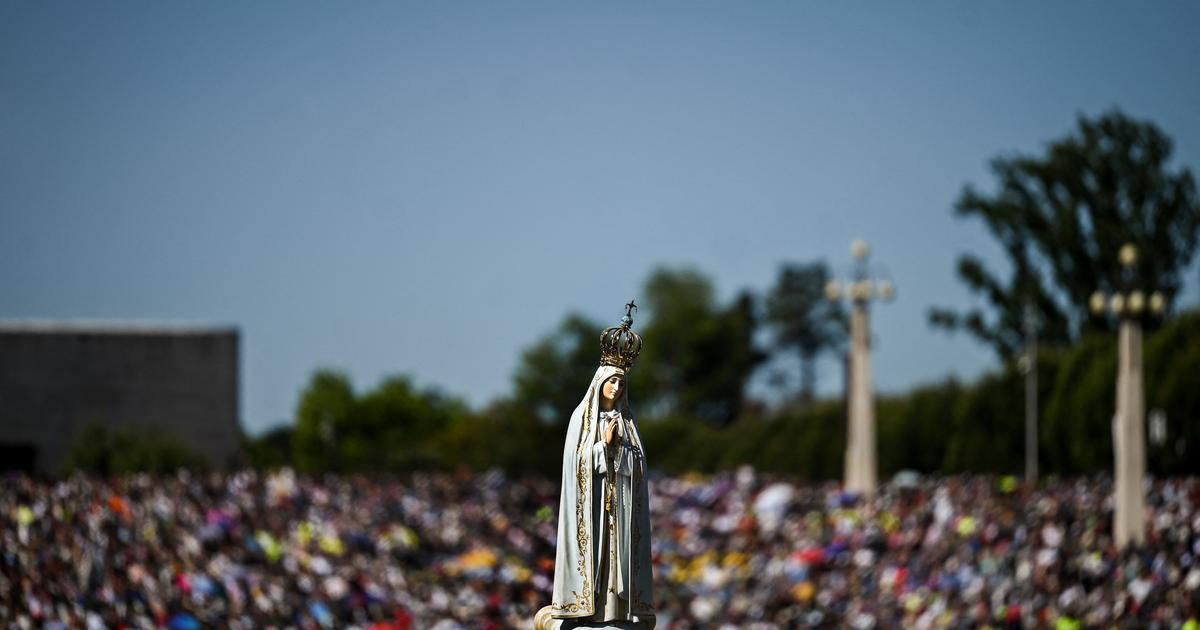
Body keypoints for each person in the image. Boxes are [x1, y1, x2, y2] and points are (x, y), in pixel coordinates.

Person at [537, 303, 655, 629]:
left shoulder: (627, 422)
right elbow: (576, 464)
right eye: (612, 381)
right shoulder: (582, 418)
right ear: (601, 381)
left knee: (617, 562)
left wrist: (622, 450)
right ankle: (586, 608)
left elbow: (640, 466)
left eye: (621, 384)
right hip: (592, 508)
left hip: (619, 509)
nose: (616, 389)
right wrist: (603, 446)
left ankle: (615, 610)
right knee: (595, 560)